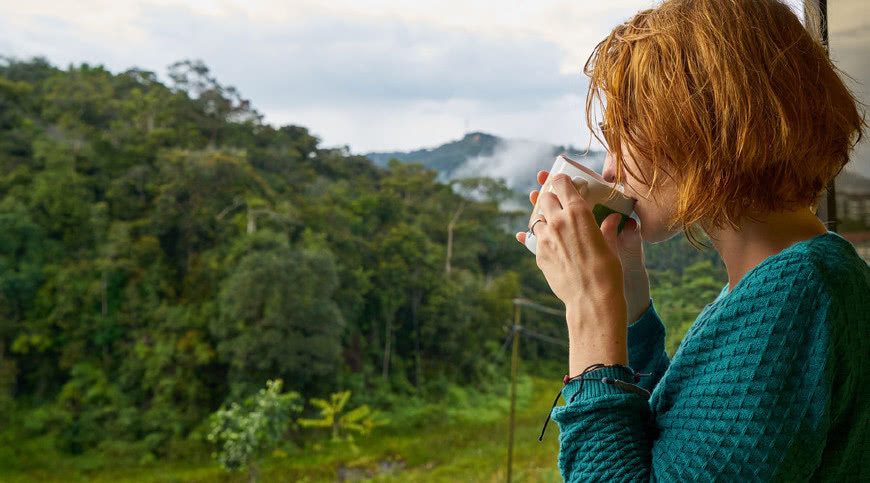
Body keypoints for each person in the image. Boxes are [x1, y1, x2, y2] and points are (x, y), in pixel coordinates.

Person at [514, 0, 869, 481]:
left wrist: (590, 314)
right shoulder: (791, 279)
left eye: (622, 137)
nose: (611, 169)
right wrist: (628, 303)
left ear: (699, 125)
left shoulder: (796, 294)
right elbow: (684, 444)